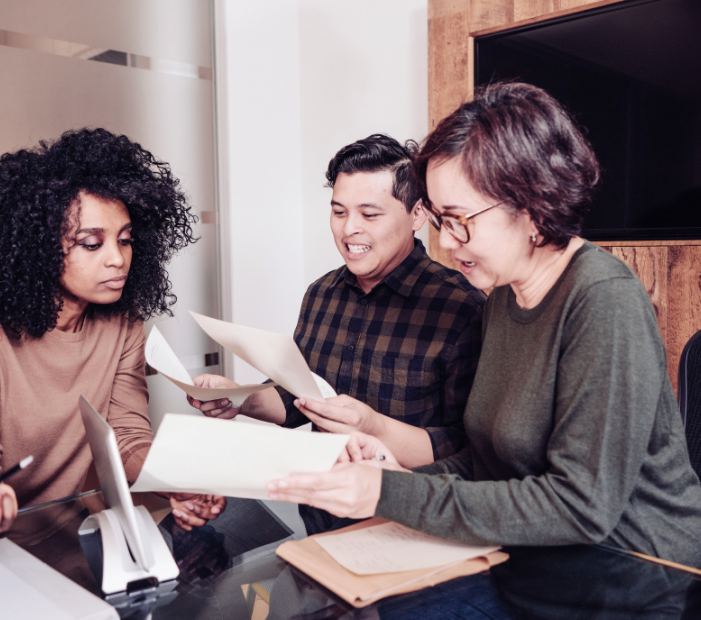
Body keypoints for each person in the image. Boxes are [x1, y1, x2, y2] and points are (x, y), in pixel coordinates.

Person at [267, 84, 701, 620]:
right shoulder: (504, 297)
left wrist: (388, 493)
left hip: (633, 597)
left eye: (461, 220)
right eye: (441, 220)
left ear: (532, 207)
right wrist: (392, 474)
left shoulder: (604, 300)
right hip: (528, 573)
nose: (447, 242)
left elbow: (580, 506)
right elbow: (489, 464)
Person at [0, 127, 224, 542]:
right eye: (91, 243)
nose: (118, 259)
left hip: (52, 538)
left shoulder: (123, 320)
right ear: (36, 247)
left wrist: (174, 478)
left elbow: (127, 438)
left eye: (125, 240)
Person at [188, 133, 482, 531]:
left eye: (370, 214)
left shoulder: (461, 308)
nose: (349, 229)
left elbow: (469, 449)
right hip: (320, 514)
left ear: (417, 215)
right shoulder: (321, 294)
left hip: (408, 520)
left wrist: (374, 428)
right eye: (339, 212)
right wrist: (238, 399)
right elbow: (299, 397)